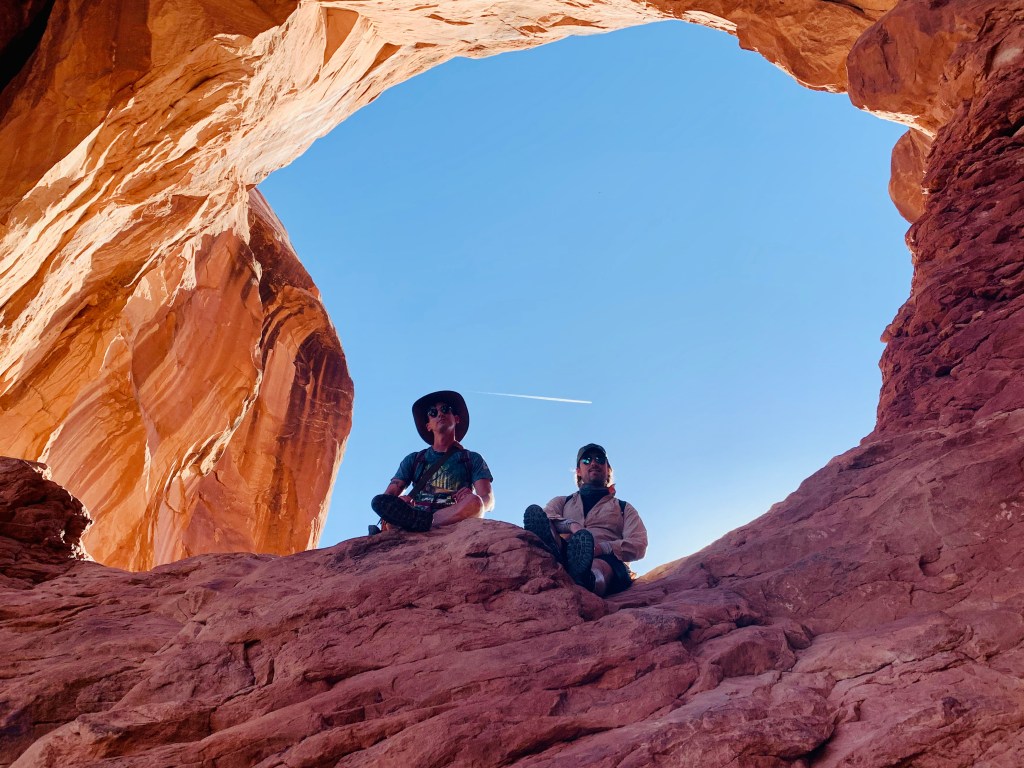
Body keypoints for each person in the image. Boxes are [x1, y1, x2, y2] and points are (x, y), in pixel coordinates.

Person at [523, 443, 647, 595]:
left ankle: (588, 580)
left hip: (608, 562)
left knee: (598, 566)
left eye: (600, 459)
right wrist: (571, 526)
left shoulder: (623, 508)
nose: (594, 463)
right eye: (587, 460)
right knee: (545, 524)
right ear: (578, 471)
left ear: (608, 469)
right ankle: (557, 556)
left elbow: (638, 543)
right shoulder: (562, 502)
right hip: (566, 552)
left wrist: (603, 548)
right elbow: (544, 516)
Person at [371, 390, 494, 532]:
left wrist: (471, 497)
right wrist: (398, 503)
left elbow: (488, 500)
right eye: (433, 413)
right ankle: (412, 520)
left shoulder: (471, 458)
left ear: (456, 418)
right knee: (381, 502)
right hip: (414, 511)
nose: (440, 414)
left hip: (453, 514)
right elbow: (389, 494)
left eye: (445, 409)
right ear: (428, 425)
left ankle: (424, 523)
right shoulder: (415, 459)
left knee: (475, 503)